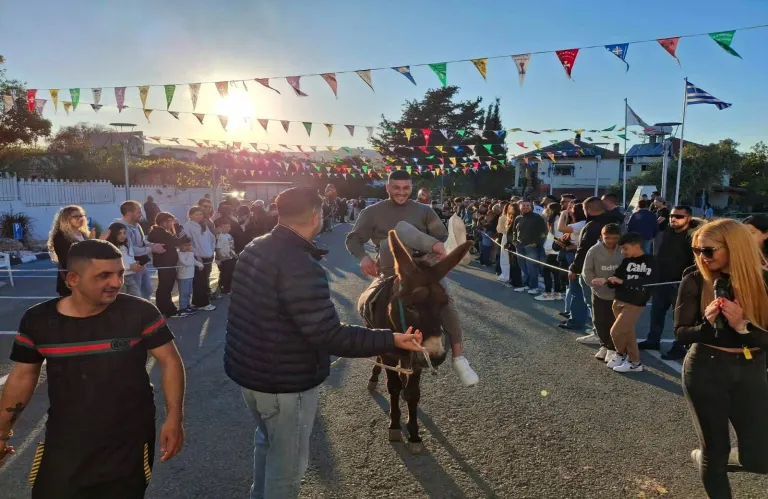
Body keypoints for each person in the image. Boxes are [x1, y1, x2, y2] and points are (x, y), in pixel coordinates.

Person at [225, 187, 423, 499]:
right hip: (285, 380)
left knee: (266, 445)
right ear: (317, 216)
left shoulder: (255, 246)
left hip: (250, 372)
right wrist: (390, 338)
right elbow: (328, 334)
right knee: (287, 467)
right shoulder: (300, 265)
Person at [0, 239, 185, 497]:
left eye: (119, 274)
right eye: (104, 276)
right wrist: (2, 432)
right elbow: (22, 377)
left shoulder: (139, 312)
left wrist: (174, 417)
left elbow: (170, 361)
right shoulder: (39, 320)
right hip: (66, 439)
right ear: (73, 279)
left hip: (129, 438)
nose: (116, 283)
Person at [346, 170, 479, 387]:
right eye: (396, 187)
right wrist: (362, 258)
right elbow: (353, 239)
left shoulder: (424, 211)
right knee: (397, 233)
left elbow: (442, 234)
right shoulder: (372, 212)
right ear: (387, 188)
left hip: (425, 268)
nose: (401, 192)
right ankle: (375, 335)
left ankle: (459, 357)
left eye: (406, 188)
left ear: (411, 188)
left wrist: (435, 250)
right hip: (391, 265)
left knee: (445, 301)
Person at [674, 219, 768, 497]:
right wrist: (706, 325)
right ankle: (709, 460)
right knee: (716, 451)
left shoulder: (763, 281)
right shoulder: (694, 278)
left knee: (760, 457)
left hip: (752, 369)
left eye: (708, 250)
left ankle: (703, 458)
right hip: (706, 368)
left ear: (734, 247)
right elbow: (680, 332)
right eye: (697, 250)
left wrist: (743, 328)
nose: (701, 257)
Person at [638, 205, 700, 358]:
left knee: (681, 317)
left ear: (688, 218)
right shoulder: (667, 232)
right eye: (672, 216)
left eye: (679, 216)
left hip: (680, 283)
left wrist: (686, 281)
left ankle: (679, 347)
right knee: (656, 312)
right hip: (660, 281)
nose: (674, 219)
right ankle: (653, 340)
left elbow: (697, 262)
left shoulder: (693, 236)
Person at [563, 197, 615, 341]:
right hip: (611, 268)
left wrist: (574, 268)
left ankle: (600, 334)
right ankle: (605, 332)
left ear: (589, 210)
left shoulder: (592, 225)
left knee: (593, 303)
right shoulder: (615, 222)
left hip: (593, 270)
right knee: (606, 304)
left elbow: (584, 249)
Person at [604, 232, 656, 373]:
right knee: (628, 332)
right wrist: (609, 281)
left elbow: (647, 282)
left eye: (625, 248)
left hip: (635, 302)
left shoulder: (650, 261)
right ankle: (631, 360)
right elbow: (617, 277)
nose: (623, 252)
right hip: (619, 300)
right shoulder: (626, 261)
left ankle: (625, 355)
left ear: (637, 246)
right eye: (621, 249)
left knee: (616, 331)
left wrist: (623, 282)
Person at [582, 224, 623, 363]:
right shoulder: (593, 251)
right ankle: (604, 344)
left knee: (614, 321)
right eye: (607, 237)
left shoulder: (623, 249)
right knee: (599, 320)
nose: (611, 241)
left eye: (615, 238)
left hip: (618, 293)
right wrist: (594, 283)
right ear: (601, 237)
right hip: (599, 291)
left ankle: (612, 347)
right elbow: (587, 272)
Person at [112, 200, 166, 301]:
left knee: (147, 290)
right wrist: (151, 249)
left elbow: (142, 241)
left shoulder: (137, 225)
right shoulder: (120, 228)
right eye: (138, 212)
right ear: (129, 213)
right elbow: (131, 249)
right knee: (136, 295)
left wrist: (153, 245)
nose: (141, 214)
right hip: (130, 267)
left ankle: (146, 313)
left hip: (141, 263)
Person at [148, 212, 188, 318]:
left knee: (165, 287)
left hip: (166, 263)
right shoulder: (159, 232)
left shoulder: (160, 232)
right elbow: (177, 241)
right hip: (165, 263)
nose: (172, 223)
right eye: (171, 221)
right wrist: (178, 227)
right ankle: (168, 310)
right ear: (164, 222)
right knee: (165, 287)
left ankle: (165, 309)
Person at [48, 205, 91, 297]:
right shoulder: (61, 236)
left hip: (85, 280)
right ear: (66, 219)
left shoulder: (83, 234)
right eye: (75, 216)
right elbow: (67, 260)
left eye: (81, 216)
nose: (79, 218)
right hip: (71, 281)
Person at [182, 206, 217, 312]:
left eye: (200, 214)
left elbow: (211, 238)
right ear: (190, 215)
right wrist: (197, 256)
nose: (198, 216)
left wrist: (211, 250)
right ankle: (202, 303)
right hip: (199, 257)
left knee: (204, 280)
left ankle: (198, 302)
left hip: (208, 255)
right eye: (196, 214)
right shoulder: (188, 226)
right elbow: (189, 242)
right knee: (199, 281)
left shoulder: (203, 225)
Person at [511, 200, 548, 295]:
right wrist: (515, 241)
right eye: (523, 205)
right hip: (519, 246)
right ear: (519, 207)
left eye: (527, 205)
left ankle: (534, 287)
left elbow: (544, 232)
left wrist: (536, 243)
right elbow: (514, 231)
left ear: (531, 207)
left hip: (531, 247)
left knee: (532, 268)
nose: (525, 207)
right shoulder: (518, 218)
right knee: (523, 267)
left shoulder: (537, 218)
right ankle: (526, 285)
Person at [536, 201, 565, 301]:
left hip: (553, 250)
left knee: (547, 271)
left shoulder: (556, 220)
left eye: (547, 208)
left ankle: (548, 294)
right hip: (552, 249)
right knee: (555, 272)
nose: (546, 210)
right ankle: (557, 293)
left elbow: (557, 236)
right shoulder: (557, 219)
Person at [106, 222, 144, 297]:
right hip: (119, 278)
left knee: (137, 298)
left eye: (124, 233)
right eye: (119, 233)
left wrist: (135, 263)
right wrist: (130, 266)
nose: (122, 235)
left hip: (130, 276)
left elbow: (129, 258)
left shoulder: (127, 245)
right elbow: (113, 264)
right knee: (122, 301)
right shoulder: (111, 248)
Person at [176, 237, 202, 315]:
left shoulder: (188, 253)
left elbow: (193, 261)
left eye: (189, 245)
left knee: (189, 291)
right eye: (185, 245)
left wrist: (200, 264)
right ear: (179, 246)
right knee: (184, 292)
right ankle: (183, 307)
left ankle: (187, 305)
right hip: (183, 276)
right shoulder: (179, 254)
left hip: (190, 275)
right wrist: (191, 253)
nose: (187, 247)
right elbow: (186, 263)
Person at [215, 217, 237, 295]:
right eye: (224, 226)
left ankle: (227, 287)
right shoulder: (220, 236)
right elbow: (217, 248)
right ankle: (225, 289)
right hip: (225, 258)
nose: (227, 228)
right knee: (226, 274)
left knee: (230, 273)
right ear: (220, 227)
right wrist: (220, 258)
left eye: (228, 226)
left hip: (231, 257)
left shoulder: (229, 235)